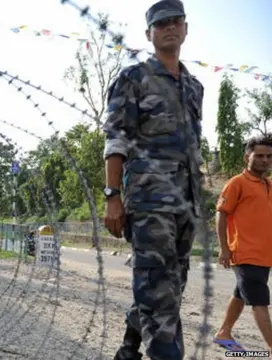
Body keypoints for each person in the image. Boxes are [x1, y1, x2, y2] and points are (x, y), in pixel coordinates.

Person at [102, 1, 204, 359]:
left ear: (186, 29)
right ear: (149, 34)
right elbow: (116, 138)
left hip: (186, 204)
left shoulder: (194, 87)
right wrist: (112, 195)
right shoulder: (134, 78)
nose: (170, 28)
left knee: (168, 288)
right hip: (149, 203)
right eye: (161, 24)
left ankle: (129, 350)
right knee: (159, 294)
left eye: (176, 22)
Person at [213, 135, 272, 352]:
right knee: (259, 301)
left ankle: (223, 333)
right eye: (259, 156)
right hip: (244, 253)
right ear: (247, 156)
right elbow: (221, 214)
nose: (265, 160)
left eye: (268, 156)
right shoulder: (237, 183)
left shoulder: (268, 185)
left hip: (264, 255)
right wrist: (224, 248)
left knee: (241, 293)